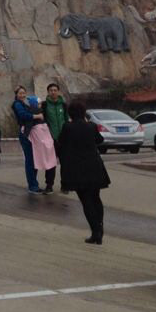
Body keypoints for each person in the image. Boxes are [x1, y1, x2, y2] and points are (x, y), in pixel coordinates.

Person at [56, 102, 111, 244]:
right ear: (83, 113)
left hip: (77, 169)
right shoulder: (91, 126)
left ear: (70, 114)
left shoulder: (67, 127)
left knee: (86, 201)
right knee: (96, 198)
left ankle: (95, 232)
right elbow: (100, 140)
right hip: (94, 166)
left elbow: (60, 142)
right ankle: (100, 226)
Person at [11, 86, 43, 194]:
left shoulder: (23, 104)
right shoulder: (17, 104)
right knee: (30, 160)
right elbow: (23, 115)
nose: (22, 95)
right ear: (16, 94)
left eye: (24, 93)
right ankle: (32, 186)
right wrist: (37, 116)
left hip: (30, 132)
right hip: (25, 133)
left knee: (33, 159)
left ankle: (34, 184)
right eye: (20, 93)